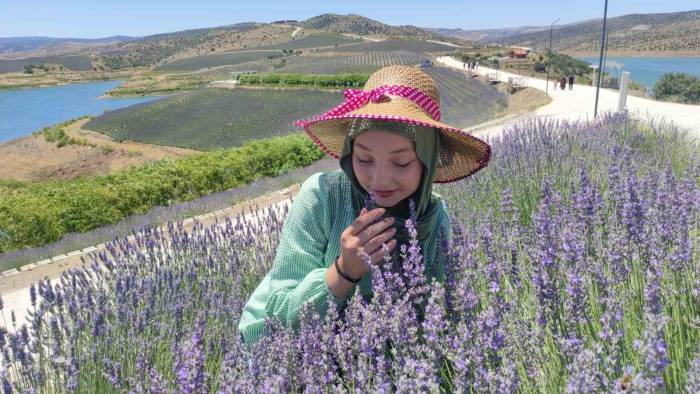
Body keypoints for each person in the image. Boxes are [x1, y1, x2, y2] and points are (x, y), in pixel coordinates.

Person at [237, 65, 491, 346]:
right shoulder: (322, 197)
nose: (380, 179)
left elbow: (428, 317)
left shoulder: (433, 218)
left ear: (428, 161)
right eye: (365, 159)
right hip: (276, 349)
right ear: (349, 152)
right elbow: (279, 315)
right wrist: (345, 270)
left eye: (402, 162)